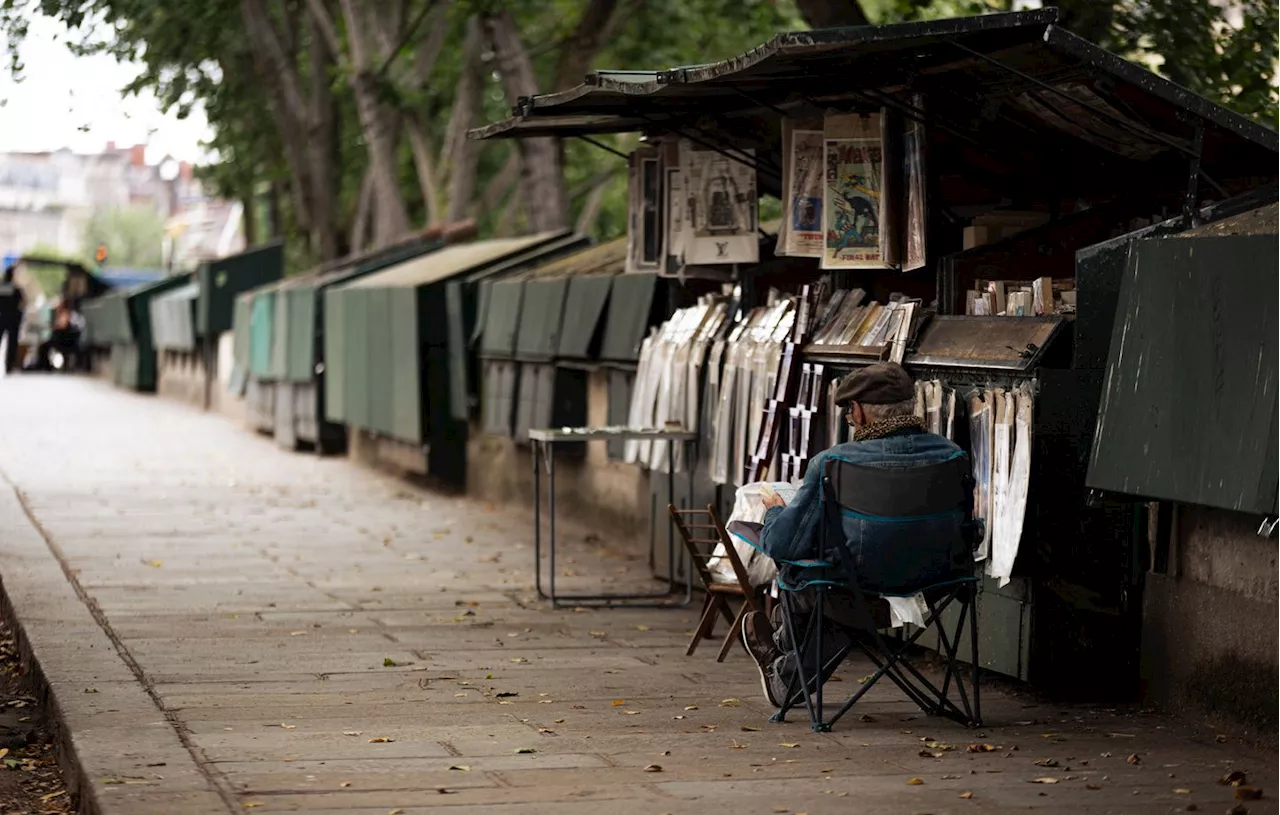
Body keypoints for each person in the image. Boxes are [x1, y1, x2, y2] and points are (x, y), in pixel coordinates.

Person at [739, 362, 970, 707]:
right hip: (936, 586)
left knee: (805, 571)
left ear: (859, 412)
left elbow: (781, 544)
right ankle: (785, 653)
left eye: (849, 411)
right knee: (842, 576)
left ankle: (786, 665)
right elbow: (970, 529)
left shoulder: (834, 462)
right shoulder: (953, 456)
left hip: (854, 590)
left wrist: (774, 509)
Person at [0, 265, 25, 373]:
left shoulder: (1, 287)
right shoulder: (16, 289)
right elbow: (23, 303)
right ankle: (9, 365)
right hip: (13, 318)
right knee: (12, 343)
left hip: (1, 317)